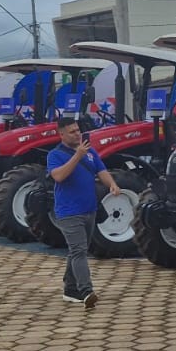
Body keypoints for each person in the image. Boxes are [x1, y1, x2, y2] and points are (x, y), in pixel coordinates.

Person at [46, 117, 120, 309]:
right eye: (72, 131)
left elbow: (101, 171)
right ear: (61, 134)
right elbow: (59, 176)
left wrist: (112, 184)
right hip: (69, 211)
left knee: (78, 250)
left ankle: (70, 289)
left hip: (89, 209)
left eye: (78, 130)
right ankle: (86, 291)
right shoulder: (55, 155)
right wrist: (77, 156)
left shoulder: (90, 152)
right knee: (79, 251)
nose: (77, 134)